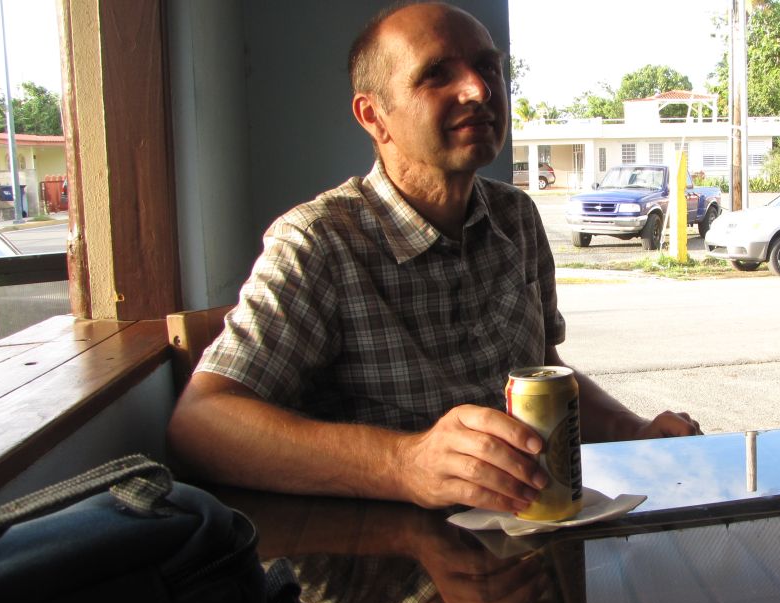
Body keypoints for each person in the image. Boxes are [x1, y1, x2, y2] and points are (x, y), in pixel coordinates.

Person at [166, 1, 699, 513]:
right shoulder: (318, 242)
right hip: (386, 556)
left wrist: (634, 431)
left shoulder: (516, 216)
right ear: (374, 116)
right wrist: (404, 465)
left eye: (488, 67)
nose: (479, 89)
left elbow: (544, 370)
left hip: (529, 532)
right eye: (437, 74)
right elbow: (201, 425)